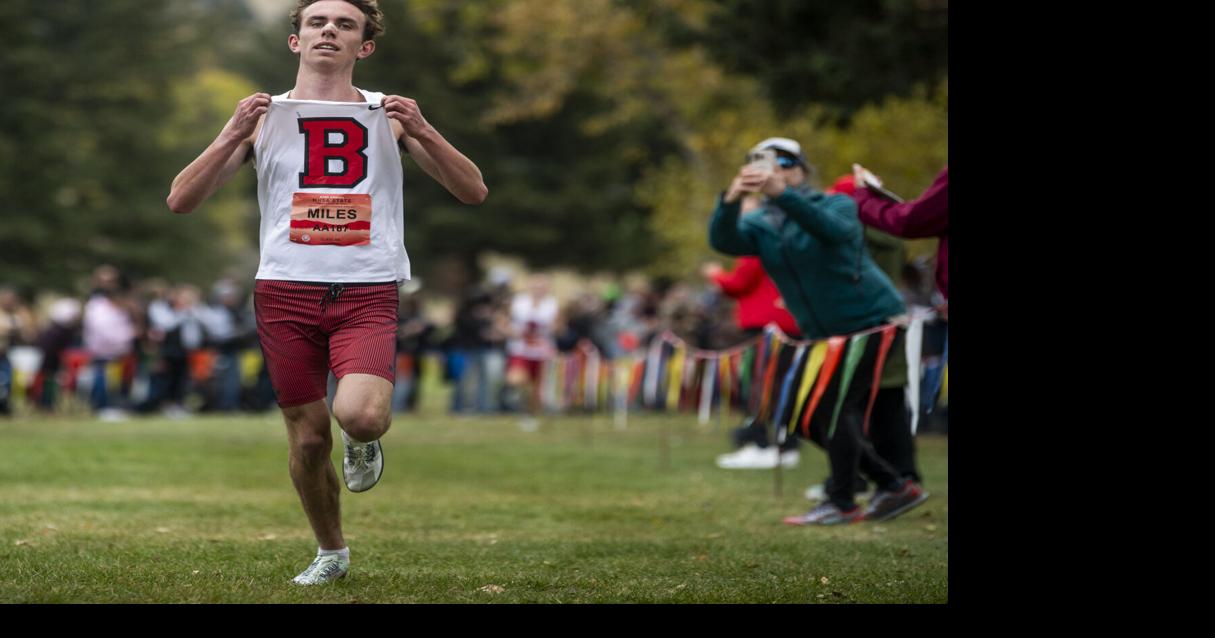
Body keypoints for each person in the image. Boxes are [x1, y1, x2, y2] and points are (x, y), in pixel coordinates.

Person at [166, 0, 487, 584]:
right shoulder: (263, 116)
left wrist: (423, 128)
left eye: (345, 25)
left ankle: (363, 442)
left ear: (363, 47)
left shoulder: (386, 113)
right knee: (310, 439)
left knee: (359, 416)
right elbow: (181, 199)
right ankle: (331, 551)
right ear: (295, 41)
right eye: (316, 22)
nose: (329, 31)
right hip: (285, 288)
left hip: (367, 287)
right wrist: (231, 134)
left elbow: (472, 191)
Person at [708, 137, 926, 525]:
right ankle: (891, 484)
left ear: (803, 170)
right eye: (764, 162)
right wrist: (729, 201)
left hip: (872, 321)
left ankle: (842, 500)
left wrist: (783, 195)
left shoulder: (837, 204)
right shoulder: (762, 221)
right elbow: (723, 241)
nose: (776, 170)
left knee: (833, 407)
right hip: (822, 332)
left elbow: (832, 231)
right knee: (799, 410)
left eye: (786, 162)